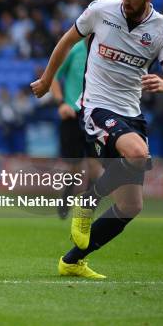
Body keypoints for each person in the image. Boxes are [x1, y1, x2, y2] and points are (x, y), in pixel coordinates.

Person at [31, 0, 163, 279]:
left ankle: (73, 260)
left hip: (131, 114)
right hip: (96, 108)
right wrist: (48, 80)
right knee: (138, 154)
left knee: (131, 207)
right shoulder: (101, 10)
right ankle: (88, 200)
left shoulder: (161, 30)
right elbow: (66, 40)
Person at [50, 39, 101, 219]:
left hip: (96, 116)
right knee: (75, 166)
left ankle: (87, 208)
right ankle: (66, 201)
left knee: (95, 165)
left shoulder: (106, 50)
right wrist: (61, 103)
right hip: (73, 114)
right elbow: (54, 76)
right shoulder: (74, 50)